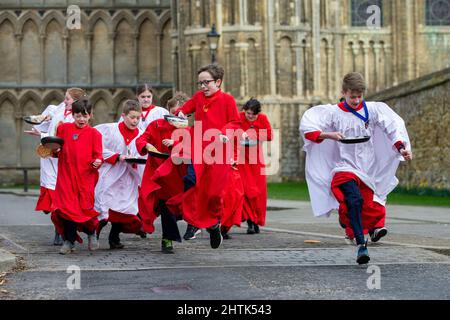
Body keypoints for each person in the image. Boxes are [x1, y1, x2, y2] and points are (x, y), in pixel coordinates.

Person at [300, 72, 412, 264]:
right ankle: (362, 246)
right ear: (344, 93)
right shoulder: (333, 112)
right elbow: (308, 127)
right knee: (354, 200)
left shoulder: (374, 110)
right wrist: (329, 135)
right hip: (344, 166)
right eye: (352, 96)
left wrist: (401, 148)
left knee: (365, 205)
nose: (356, 100)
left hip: (367, 168)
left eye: (359, 96)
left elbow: (392, 127)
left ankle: (347, 222)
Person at [174, 63, 241, 249]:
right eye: (200, 83)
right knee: (191, 180)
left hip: (219, 151)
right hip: (199, 147)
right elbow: (185, 109)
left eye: (206, 83)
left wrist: (224, 132)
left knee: (213, 193)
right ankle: (193, 222)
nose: (203, 87)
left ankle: (214, 225)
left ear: (218, 82)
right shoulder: (198, 98)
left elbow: (235, 123)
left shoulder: (227, 100)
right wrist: (180, 113)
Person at [25, 87, 86, 245]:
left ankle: (60, 231)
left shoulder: (76, 119)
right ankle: (58, 227)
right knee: (51, 197)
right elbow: (48, 120)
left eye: (67, 99)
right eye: (65, 98)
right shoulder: (60, 109)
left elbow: (67, 139)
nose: (64, 101)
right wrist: (40, 127)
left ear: (76, 102)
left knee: (60, 198)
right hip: (49, 158)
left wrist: (42, 135)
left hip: (63, 161)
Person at [135, 92, 189, 253]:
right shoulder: (157, 125)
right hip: (159, 173)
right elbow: (142, 139)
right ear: (169, 111)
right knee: (165, 207)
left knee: (180, 207)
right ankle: (167, 239)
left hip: (178, 175)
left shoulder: (189, 130)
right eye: (174, 113)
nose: (177, 116)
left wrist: (177, 142)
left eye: (181, 113)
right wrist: (146, 145)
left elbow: (195, 147)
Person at [50, 97, 103, 254]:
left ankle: (92, 232)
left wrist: (97, 161)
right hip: (66, 176)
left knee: (85, 208)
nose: (81, 119)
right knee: (66, 208)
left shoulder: (95, 134)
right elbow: (55, 149)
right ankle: (69, 240)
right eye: (78, 115)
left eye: (85, 115)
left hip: (86, 177)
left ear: (90, 115)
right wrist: (55, 151)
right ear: (73, 115)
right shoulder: (64, 129)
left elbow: (98, 155)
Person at [94, 100, 145, 249]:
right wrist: (117, 156)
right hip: (110, 173)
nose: (135, 121)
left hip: (128, 177)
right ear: (123, 115)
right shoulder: (109, 130)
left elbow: (144, 155)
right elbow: (97, 146)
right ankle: (94, 235)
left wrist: (136, 161)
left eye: (138, 118)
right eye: (132, 117)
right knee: (104, 204)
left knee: (123, 208)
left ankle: (114, 237)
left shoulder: (141, 135)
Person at [237, 98, 273, 235]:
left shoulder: (262, 119)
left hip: (256, 158)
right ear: (244, 111)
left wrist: (253, 134)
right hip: (241, 158)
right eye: (248, 113)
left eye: (253, 114)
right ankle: (249, 221)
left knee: (258, 191)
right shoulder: (239, 117)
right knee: (245, 190)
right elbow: (231, 130)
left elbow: (269, 135)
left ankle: (256, 220)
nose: (250, 116)